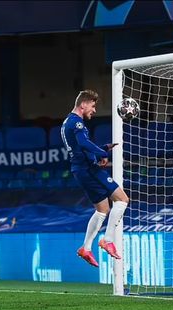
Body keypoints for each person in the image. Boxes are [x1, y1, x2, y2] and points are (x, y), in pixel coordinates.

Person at [61, 90, 130, 267]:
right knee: (122, 199)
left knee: (102, 209)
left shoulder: (68, 122)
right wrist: (102, 152)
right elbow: (84, 144)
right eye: (92, 106)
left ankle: (86, 248)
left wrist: (103, 148)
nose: (94, 110)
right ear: (83, 105)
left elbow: (80, 147)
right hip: (88, 169)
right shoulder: (76, 123)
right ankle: (107, 240)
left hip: (81, 169)